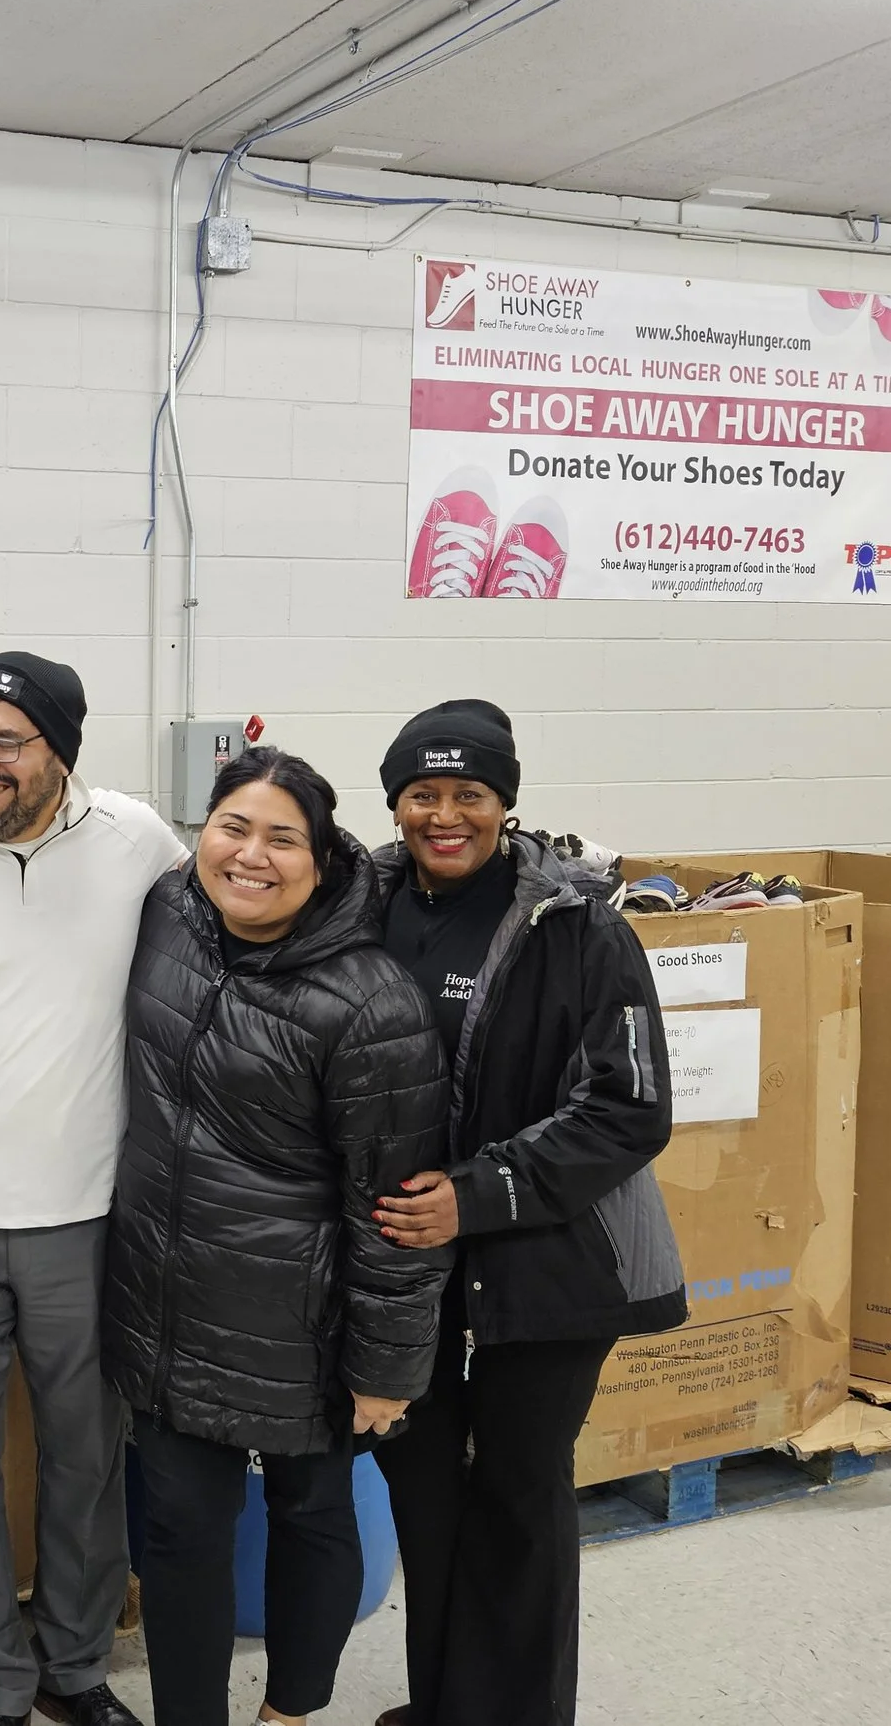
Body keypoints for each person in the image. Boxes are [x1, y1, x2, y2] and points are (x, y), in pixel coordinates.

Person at [102, 747, 452, 1726]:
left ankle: (289, 1712)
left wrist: (386, 1367)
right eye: (232, 827)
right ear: (199, 835)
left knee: (310, 1515)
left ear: (323, 856)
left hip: (304, 1322)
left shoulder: (370, 1003)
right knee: (178, 1533)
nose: (251, 856)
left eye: (281, 838)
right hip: (168, 1305)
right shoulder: (171, 914)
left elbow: (397, 1211)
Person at [366, 700, 685, 1726]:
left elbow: (629, 1110)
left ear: (506, 802)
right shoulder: (359, 904)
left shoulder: (582, 929)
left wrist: (476, 1195)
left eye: (469, 794)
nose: (443, 814)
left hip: (548, 1261)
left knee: (516, 1492)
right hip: (405, 1262)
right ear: (396, 801)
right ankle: (446, 1708)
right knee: (425, 1499)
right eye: (422, 794)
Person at [0, 652, 184, 1726]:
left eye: (4, 743)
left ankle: (71, 1666)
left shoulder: (141, 844)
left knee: (86, 1461)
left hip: (89, 1217)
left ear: (60, 748)